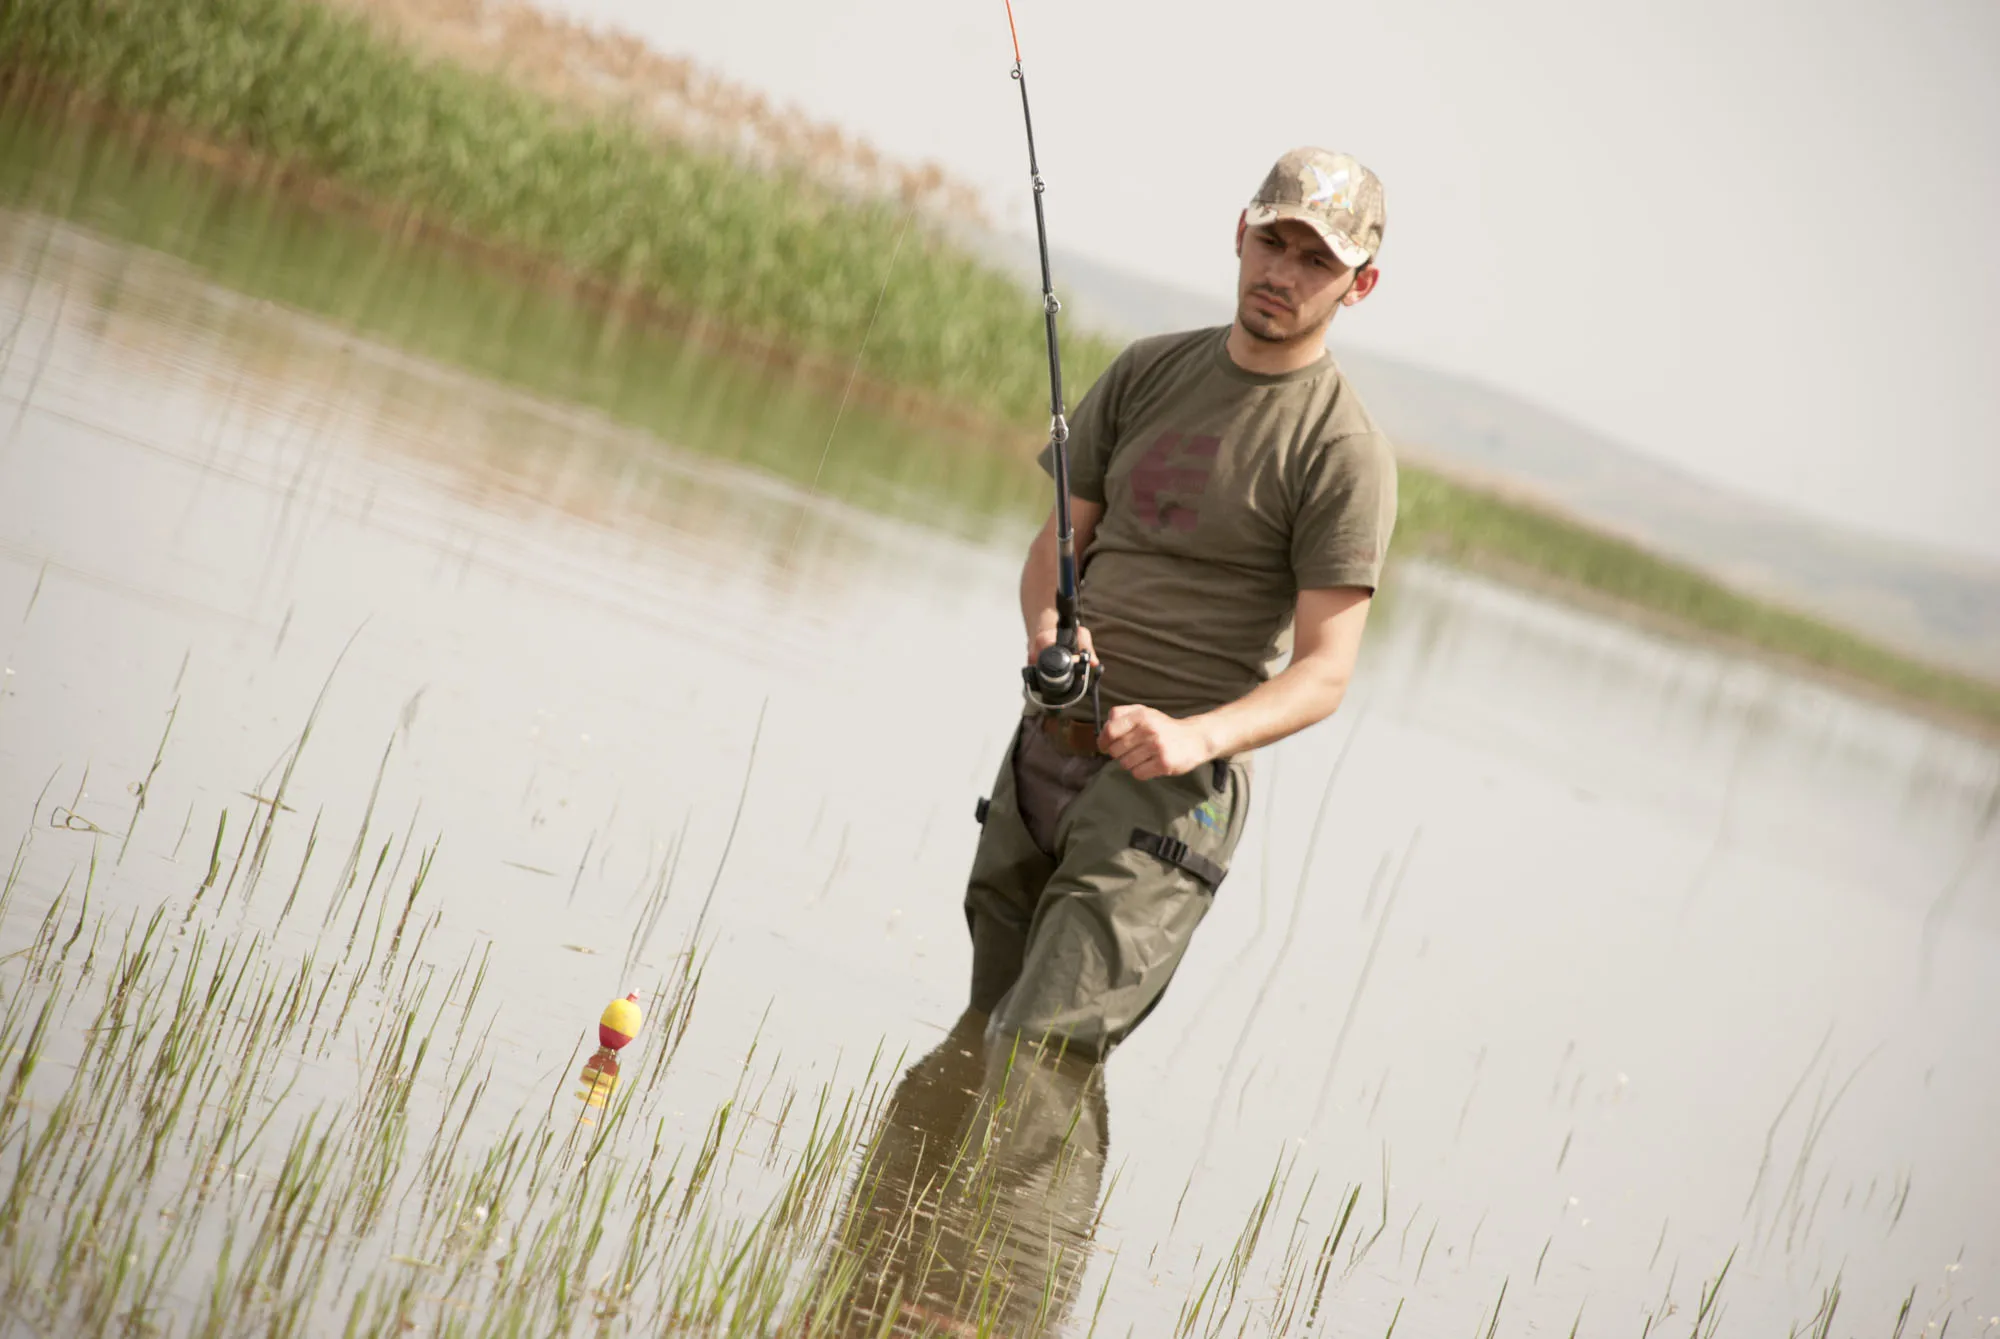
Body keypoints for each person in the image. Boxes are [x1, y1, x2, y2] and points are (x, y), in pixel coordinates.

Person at [962, 146, 1398, 1059]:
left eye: (1316, 259)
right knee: (978, 1037)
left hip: (1168, 803)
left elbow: (1324, 675)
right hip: (1045, 749)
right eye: (1273, 241)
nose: (1283, 272)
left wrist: (1192, 737)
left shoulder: (1343, 449)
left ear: (1358, 286)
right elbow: (1054, 550)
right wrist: (1049, 633)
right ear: (1240, 234)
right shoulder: (1145, 370)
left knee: (1039, 1061)